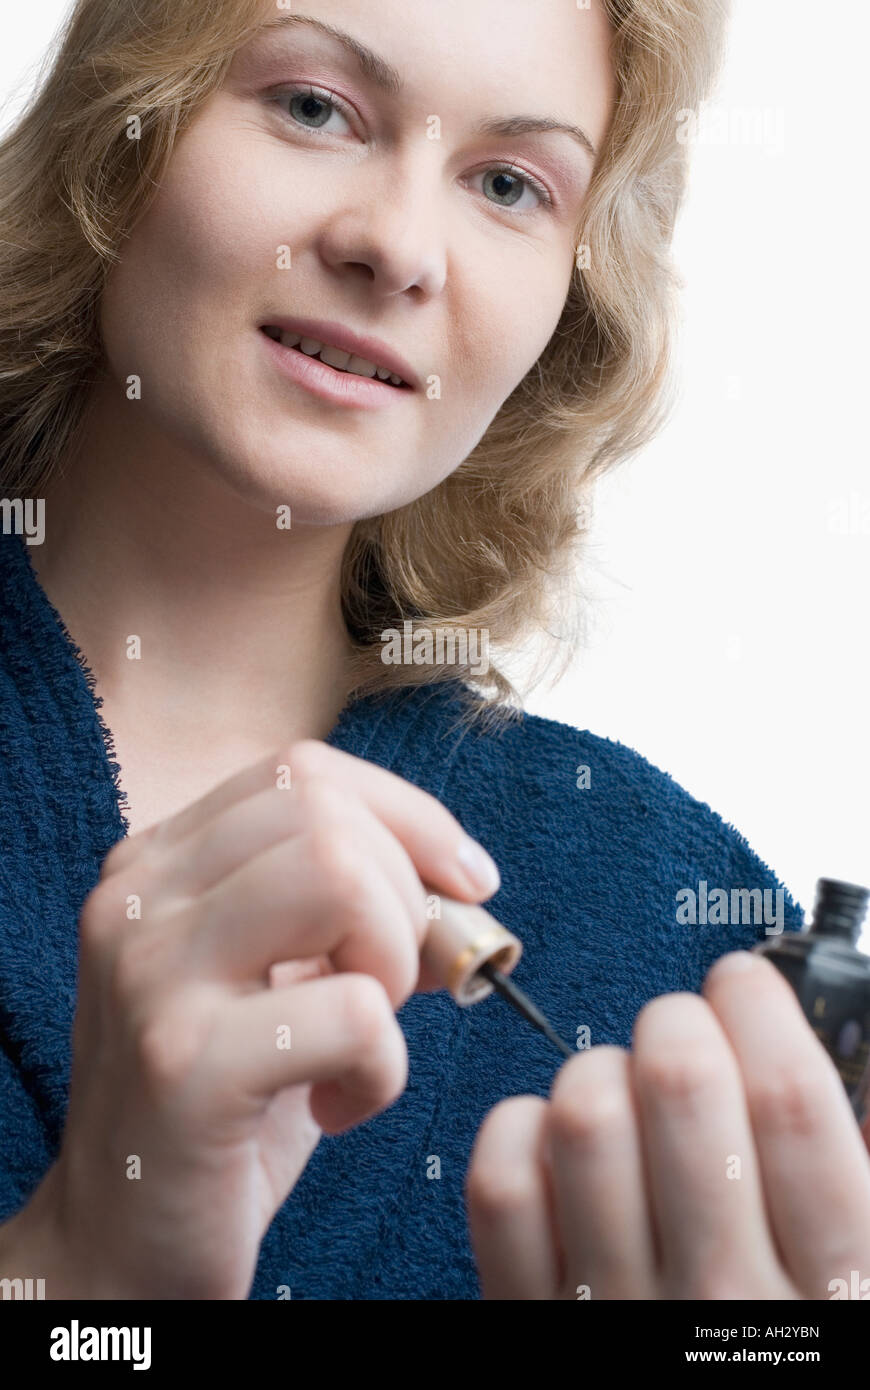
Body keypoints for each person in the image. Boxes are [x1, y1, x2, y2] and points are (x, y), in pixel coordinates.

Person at [1, 0, 867, 1302]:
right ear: (123, 128)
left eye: (509, 184)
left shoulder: (662, 922)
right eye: (312, 107)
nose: (396, 246)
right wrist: (77, 1274)